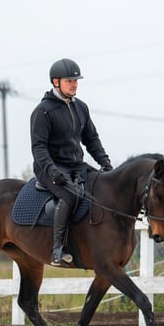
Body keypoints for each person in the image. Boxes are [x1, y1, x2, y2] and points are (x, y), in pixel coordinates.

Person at [30, 58, 113, 266]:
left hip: (75, 165)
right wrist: (51, 170)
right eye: (70, 80)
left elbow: (91, 139)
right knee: (69, 194)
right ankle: (57, 250)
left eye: (76, 80)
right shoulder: (43, 111)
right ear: (56, 82)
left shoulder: (81, 108)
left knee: (103, 186)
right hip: (49, 167)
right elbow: (38, 147)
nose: (74, 84)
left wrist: (105, 163)